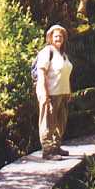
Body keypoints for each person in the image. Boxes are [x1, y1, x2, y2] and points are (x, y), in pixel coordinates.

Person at [34, 23, 72, 159]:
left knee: (60, 122)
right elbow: (41, 73)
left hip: (62, 93)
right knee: (48, 122)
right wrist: (44, 93)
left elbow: (65, 74)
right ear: (50, 38)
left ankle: (56, 147)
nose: (58, 38)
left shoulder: (63, 55)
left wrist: (69, 91)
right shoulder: (47, 52)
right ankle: (48, 151)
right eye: (56, 36)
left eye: (61, 36)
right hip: (50, 93)